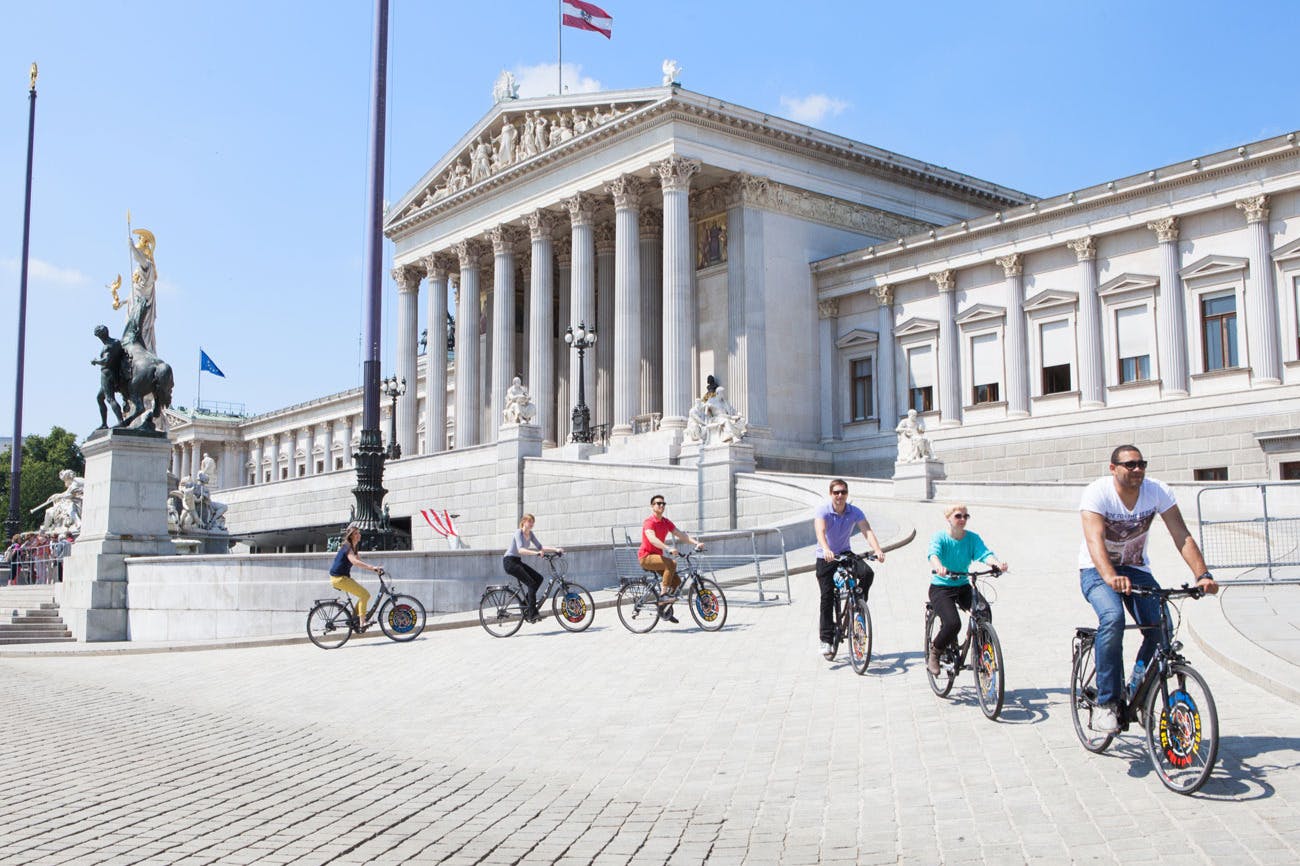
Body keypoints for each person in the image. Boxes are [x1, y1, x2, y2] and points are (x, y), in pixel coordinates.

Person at [1080, 445, 1218, 733]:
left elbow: (1181, 534)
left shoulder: (1157, 491)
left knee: (1160, 628)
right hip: (1097, 570)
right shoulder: (1098, 492)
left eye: (1141, 464)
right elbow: (1094, 539)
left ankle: (1138, 694)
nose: (1137, 470)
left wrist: (1202, 575)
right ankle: (1106, 703)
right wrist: (1108, 575)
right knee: (1113, 618)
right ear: (1113, 468)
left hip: (1136, 569)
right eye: (1129, 465)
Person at [925, 504, 1009, 675]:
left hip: (962, 585)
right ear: (948, 518)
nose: (962, 519)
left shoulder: (971, 538)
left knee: (984, 610)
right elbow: (933, 554)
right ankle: (935, 651)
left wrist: (996, 564)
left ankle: (981, 653)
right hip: (941, 587)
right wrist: (939, 566)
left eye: (965, 516)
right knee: (953, 623)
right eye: (958, 516)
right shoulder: (940, 537)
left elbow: (984, 553)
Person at [814, 479, 885, 659]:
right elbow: (820, 532)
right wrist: (826, 549)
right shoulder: (823, 510)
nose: (840, 496)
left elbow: (867, 531)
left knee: (867, 573)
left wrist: (877, 549)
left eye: (843, 492)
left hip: (845, 553)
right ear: (831, 494)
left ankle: (859, 603)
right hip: (826, 557)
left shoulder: (854, 511)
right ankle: (826, 639)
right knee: (827, 597)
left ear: (847, 494)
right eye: (836, 492)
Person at [638, 494, 704, 624]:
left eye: (663, 504)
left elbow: (680, 535)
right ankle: (663, 596)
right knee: (671, 563)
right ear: (652, 506)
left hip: (657, 557)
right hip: (645, 557)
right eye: (658, 503)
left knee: (676, 582)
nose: (661, 506)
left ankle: (665, 609)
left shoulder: (666, 522)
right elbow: (652, 539)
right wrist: (667, 548)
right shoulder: (649, 522)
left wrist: (696, 543)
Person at [503, 513, 564, 622]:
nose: (531, 524)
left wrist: (556, 549)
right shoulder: (519, 532)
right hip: (509, 562)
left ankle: (526, 603)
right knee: (531, 583)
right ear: (524, 522)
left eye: (533, 522)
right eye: (530, 521)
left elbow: (541, 547)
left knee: (539, 578)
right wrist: (535, 553)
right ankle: (532, 614)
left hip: (517, 561)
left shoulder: (530, 534)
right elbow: (520, 549)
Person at [329, 523, 385, 631]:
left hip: (342, 578)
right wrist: (372, 567)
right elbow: (354, 562)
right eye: (356, 533)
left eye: (359, 533)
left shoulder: (354, 547)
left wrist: (375, 568)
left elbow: (359, 561)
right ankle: (362, 622)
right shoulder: (347, 547)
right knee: (364, 595)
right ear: (351, 536)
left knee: (364, 595)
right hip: (339, 579)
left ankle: (355, 618)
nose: (359, 535)